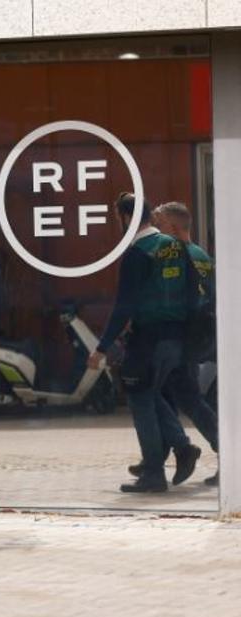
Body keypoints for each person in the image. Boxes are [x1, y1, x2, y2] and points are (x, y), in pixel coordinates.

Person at [88, 193, 189, 493]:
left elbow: (124, 306)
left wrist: (102, 347)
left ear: (127, 217)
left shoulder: (137, 253)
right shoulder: (175, 246)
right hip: (177, 338)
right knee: (151, 393)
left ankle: (154, 473)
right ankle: (182, 449)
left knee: (140, 399)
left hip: (148, 339)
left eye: (117, 218)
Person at [153, 201, 219, 487]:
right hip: (200, 334)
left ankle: (165, 459)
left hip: (180, 335)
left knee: (171, 395)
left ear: (173, 227)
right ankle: (157, 459)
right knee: (179, 396)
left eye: (159, 223)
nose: (156, 228)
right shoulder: (201, 254)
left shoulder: (175, 255)